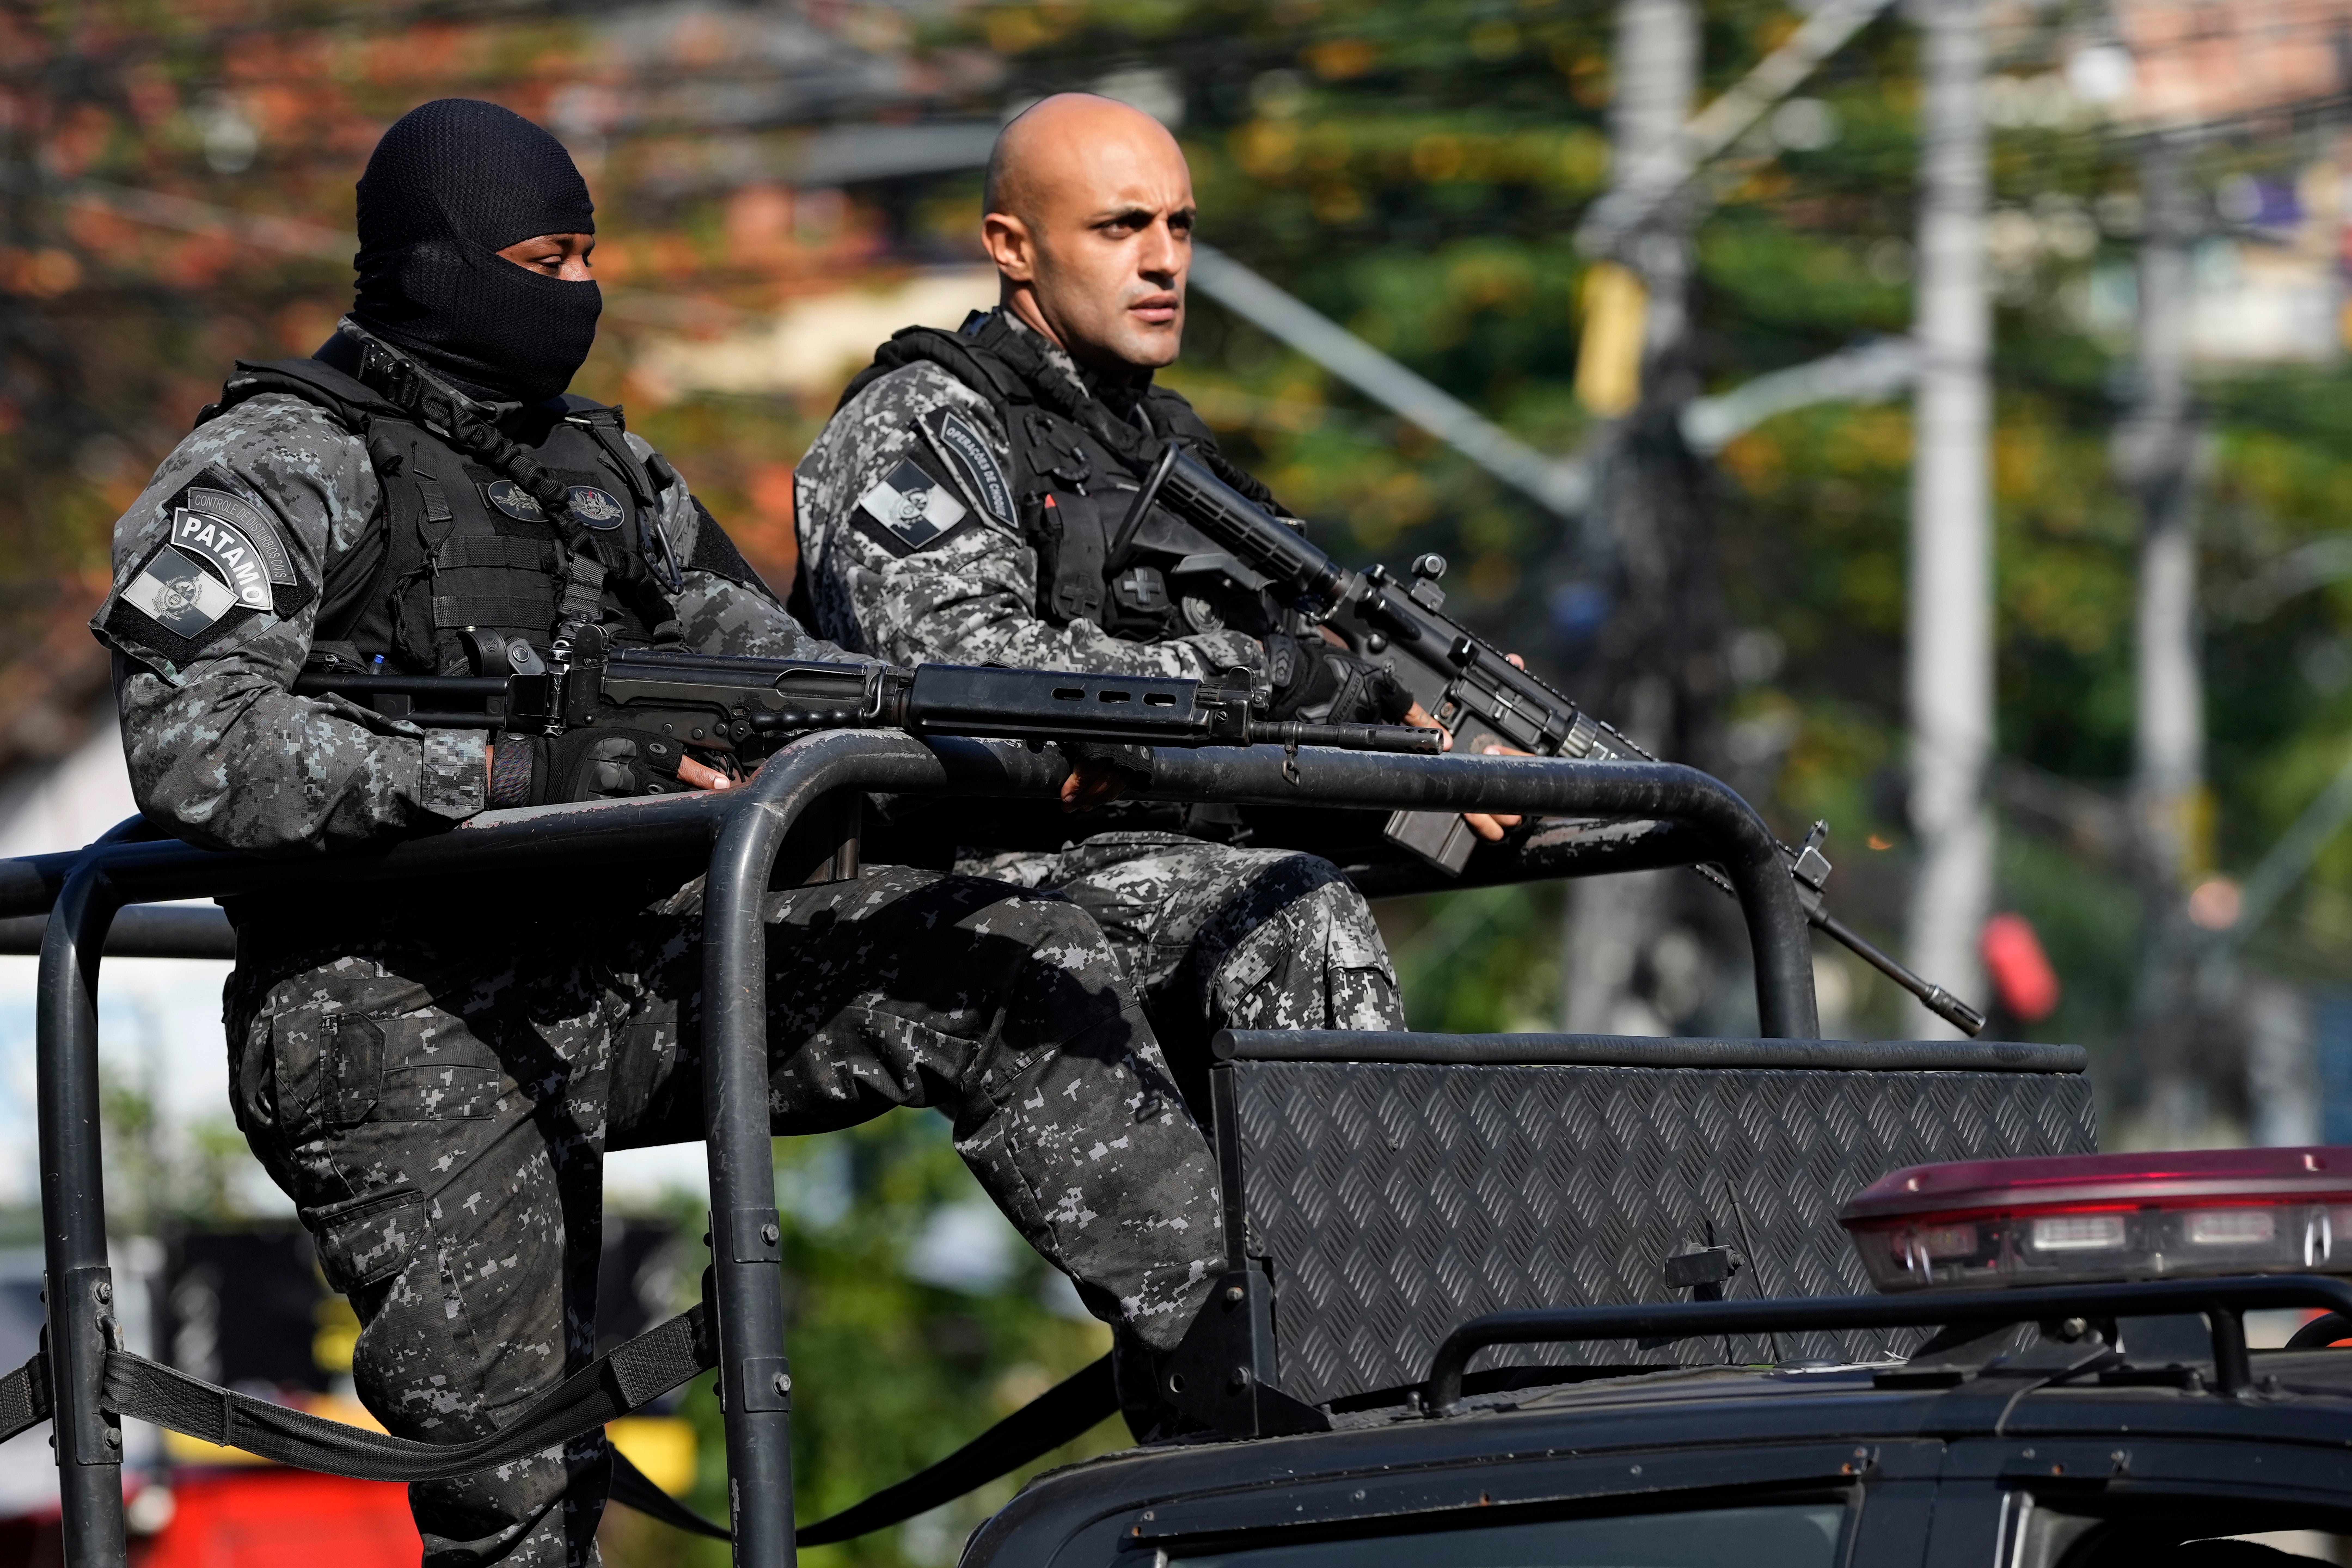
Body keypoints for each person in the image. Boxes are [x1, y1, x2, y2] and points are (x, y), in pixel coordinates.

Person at [90, 99, 1223, 1568]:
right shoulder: (282, 463)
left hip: (617, 971)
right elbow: (197, 743)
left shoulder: (598, 478)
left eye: (586, 257)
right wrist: (523, 770)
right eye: (539, 258)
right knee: (521, 1506)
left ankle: (1245, 1416)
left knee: (1010, 956)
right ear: (434, 265)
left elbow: (780, 671)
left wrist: (1019, 720)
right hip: (393, 1009)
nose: (574, 291)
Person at [795, 94, 1508, 1109]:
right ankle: (1338, 1261)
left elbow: (1304, 649)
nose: (1165, 259)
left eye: (1180, 225)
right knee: (1295, 917)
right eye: (1121, 226)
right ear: (1014, 247)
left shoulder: (1158, 441)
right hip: (967, 880)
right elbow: (961, 676)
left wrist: (1436, 726)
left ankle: (1324, 1256)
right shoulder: (917, 427)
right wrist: (1272, 680)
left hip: (1162, 854)